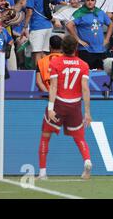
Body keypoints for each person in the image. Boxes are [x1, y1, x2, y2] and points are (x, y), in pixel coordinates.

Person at [38, 35, 93, 180]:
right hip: (75, 104)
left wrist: (50, 108)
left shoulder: (55, 62)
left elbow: (53, 86)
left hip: (59, 103)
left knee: (45, 136)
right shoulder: (83, 65)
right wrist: (87, 112)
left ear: (63, 47)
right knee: (80, 137)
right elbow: (85, 89)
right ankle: (87, 161)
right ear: (76, 48)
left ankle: (43, 172)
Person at [66, 0, 113, 70]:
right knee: (86, 73)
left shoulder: (100, 12)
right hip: (86, 50)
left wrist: (107, 39)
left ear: (95, 2)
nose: (90, 2)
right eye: (88, 0)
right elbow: (69, 25)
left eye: (92, 0)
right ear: (84, 1)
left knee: (101, 75)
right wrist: (78, 40)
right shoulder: (79, 12)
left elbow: (110, 24)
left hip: (100, 49)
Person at [22, 0, 53, 65]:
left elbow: (29, 12)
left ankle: (38, 77)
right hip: (48, 26)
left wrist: (25, 27)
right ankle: (45, 77)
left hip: (38, 26)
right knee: (44, 53)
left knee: (37, 53)